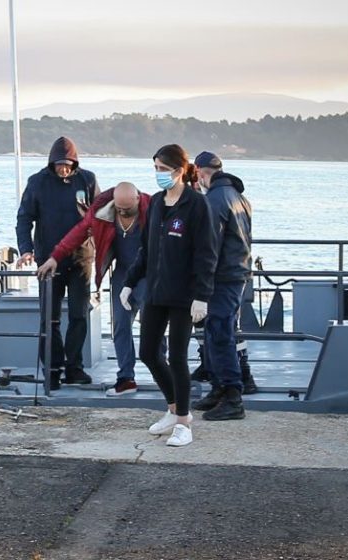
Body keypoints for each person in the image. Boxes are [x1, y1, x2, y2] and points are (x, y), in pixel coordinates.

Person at [122, 144, 217, 446]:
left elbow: (206, 254)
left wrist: (201, 296)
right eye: (155, 169)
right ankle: (173, 409)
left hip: (184, 296)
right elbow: (146, 249)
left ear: (179, 171)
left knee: (177, 357)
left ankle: (184, 422)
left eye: (163, 169)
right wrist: (129, 281)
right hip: (157, 291)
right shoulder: (157, 204)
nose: (158, 175)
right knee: (148, 352)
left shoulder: (196, 205)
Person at [37, 182, 153, 396]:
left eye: (127, 209)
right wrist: (54, 257)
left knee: (153, 326)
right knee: (120, 325)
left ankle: (164, 373)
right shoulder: (102, 213)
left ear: (138, 199)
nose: (123, 213)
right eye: (119, 209)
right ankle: (126, 377)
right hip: (123, 274)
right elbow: (77, 233)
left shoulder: (154, 209)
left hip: (150, 274)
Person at [16, 137, 100, 390]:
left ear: (75, 163)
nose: (63, 169)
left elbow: (99, 216)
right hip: (48, 260)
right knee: (49, 320)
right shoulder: (37, 182)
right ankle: (52, 369)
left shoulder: (87, 179)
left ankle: (74, 367)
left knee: (78, 316)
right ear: (51, 163)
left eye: (67, 164)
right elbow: (24, 218)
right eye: (59, 164)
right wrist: (26, 250)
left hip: (82, 259)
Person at [190, 151, 253, 420]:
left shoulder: (214, 200)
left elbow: (209, 247)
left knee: (220, 334)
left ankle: (232, 396)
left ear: (201, 172)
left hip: (221, 277)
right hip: (236, 273)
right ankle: (218, 388)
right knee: (218, 333)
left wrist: (200, 286)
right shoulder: (239, 198)